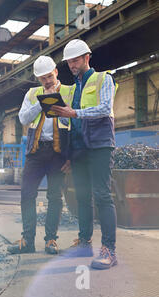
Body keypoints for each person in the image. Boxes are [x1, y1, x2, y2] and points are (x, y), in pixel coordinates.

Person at [51, 39, 118, 269]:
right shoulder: (72, 89)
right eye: (69, 61)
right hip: (79, 148)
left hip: (100, 145)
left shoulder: (103, 79)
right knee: (82, 196)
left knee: (102, 195)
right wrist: (58, 112)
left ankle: (109, 250)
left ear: (87, 58)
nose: (72, 64)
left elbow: (105, 108)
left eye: (76, 59)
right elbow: (68, 119)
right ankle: (84, 242)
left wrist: (74, 113)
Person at [8, 56, 73, 255]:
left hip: (58, 153)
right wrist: (42, 103)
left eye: (49, 76)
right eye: (42, 78)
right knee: (27, 194)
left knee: (55, 197)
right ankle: (27, 241)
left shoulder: (70, 92)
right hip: (36, 152)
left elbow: (78, 123)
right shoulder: (32, 93)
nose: (47, 81)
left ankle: (51, 240)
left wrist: (72, 156)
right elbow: (23, 118)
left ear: (56, 72)